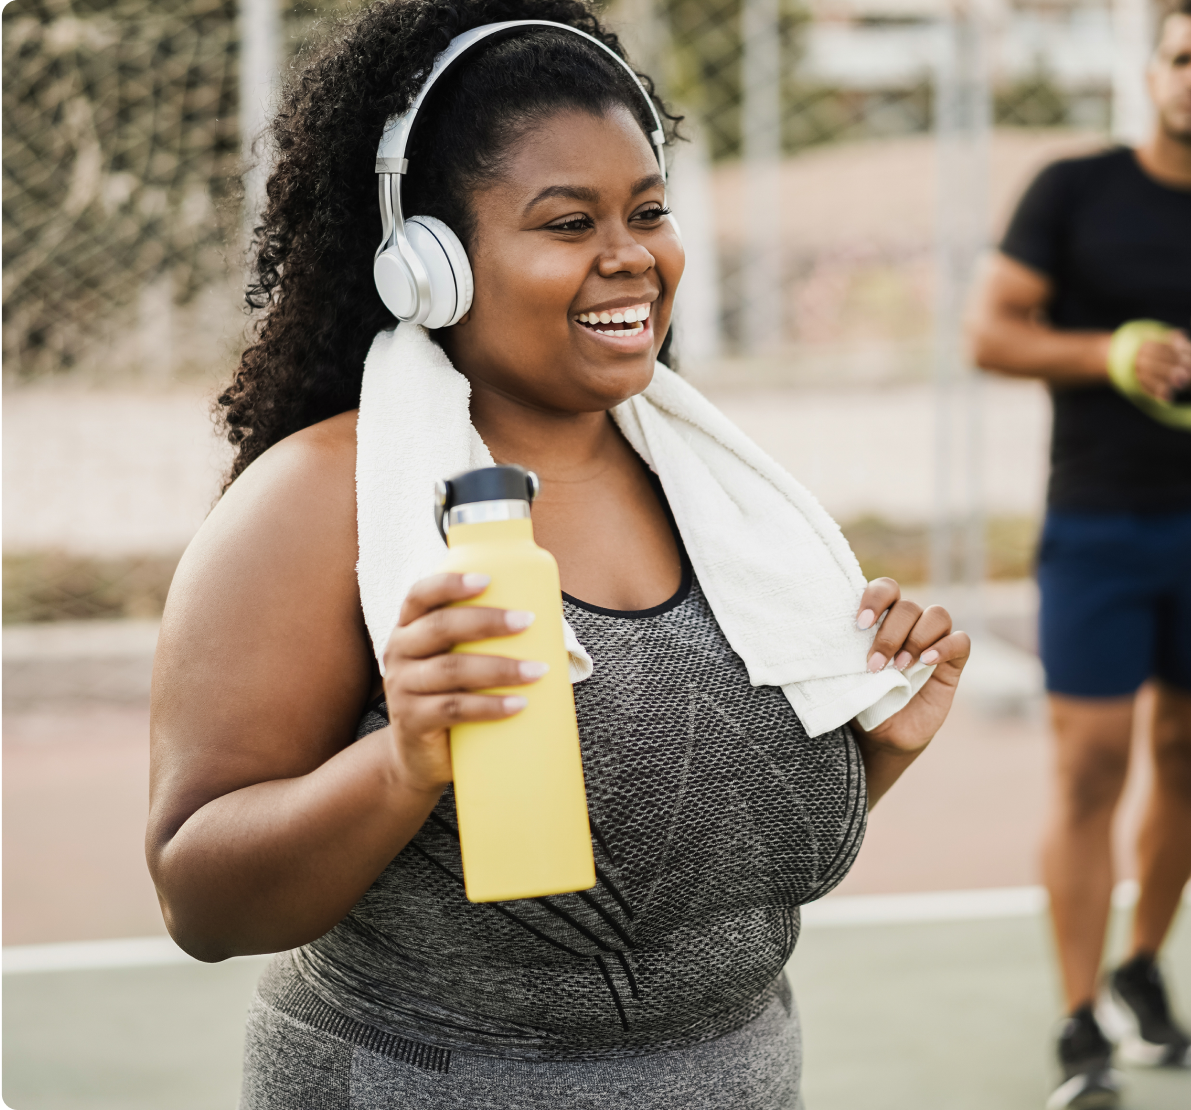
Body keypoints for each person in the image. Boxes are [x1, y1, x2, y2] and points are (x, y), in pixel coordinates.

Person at [145, 1, 971, 1106]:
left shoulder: (716, 495)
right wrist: (399, 766)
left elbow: (683, 866)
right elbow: (201, 902)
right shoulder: (315, 501)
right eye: (567, 223)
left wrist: (879, 748)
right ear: (428, 262)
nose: (630, 258)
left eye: (648, 211)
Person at [967, 0, 1191, 1106]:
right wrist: (1109, 351)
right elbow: (991, 333)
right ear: (1151, 74)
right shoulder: (1074, 188)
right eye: (1181, 58)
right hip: (1095, 525)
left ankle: (1142, 968)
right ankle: (1077, 1021)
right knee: (1092, 763)